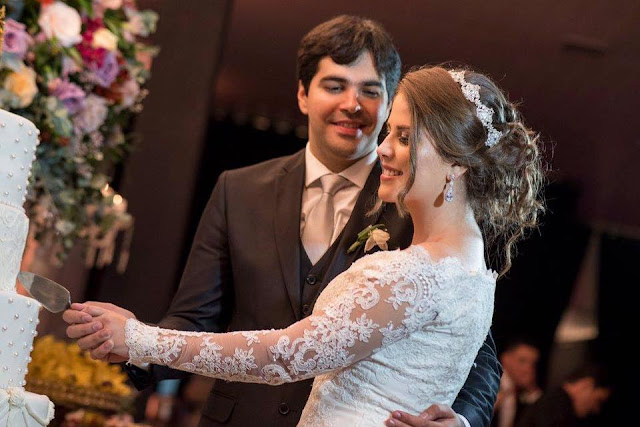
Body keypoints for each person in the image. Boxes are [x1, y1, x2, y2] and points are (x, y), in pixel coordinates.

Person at [64, 16, 505, 427]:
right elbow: (195, 317)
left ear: (389, 102)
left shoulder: (422, 202)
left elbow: (470, 349)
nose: (352, 104)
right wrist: (135, 345)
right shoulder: (239, 190)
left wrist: (462, 421)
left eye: (370, 91)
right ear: (303, 95)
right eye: (335, 86)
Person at [517, 365, 611, 427]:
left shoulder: (555, 400)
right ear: (586, 385)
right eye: (598, 400)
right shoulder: (558, 404)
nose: (596, 409)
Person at [493, 340, 542, 427]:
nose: (528, 368)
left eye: (532, 364)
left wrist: (531, 389)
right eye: (522, 361)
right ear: (505, 359)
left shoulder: (520, 391)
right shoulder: (491, 381)